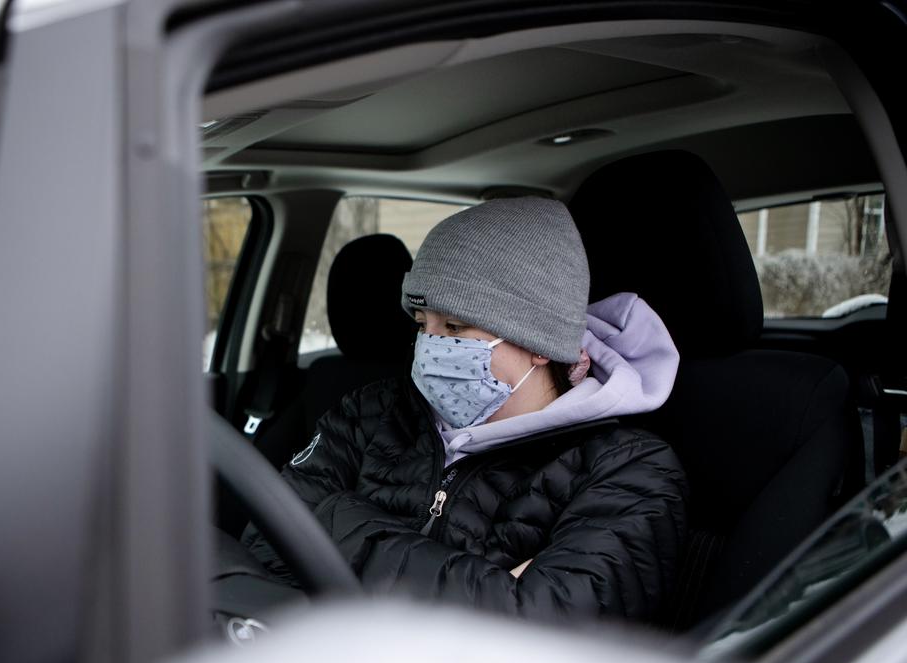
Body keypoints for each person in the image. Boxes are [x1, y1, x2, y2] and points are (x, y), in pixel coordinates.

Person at [242, 197, 687, 623]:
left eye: (454, 326)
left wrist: (338, 521)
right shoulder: (370, 413)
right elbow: (265, 542)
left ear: (539, 343)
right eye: (422, 325)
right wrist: (491, 586)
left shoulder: (628, 469)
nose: (431, 345)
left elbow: (538, 639)